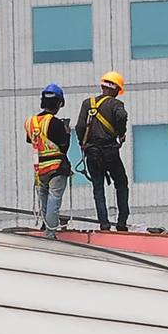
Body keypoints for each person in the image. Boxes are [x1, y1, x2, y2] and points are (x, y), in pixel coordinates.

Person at [75, 71, 129, 231]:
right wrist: (120, 133)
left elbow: (79, 127)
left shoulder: (87, 103)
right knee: (121, 183)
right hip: (110, 151)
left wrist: (83, 144)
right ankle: (122, 221)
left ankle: (104, 224)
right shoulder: (115, 104)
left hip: (92, 152)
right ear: (116, 90)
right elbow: (122, 116)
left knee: (98, 187)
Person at [24, 83, 71, 240]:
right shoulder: (55, 123)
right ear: (58, 103)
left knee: (44, 200)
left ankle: (46, 226)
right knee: (54, 201)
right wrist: (67, 133)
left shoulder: (30, 122)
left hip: (40, 169)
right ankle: (50, 234)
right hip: (56, 167)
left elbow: (32, 141)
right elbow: (63, 147)